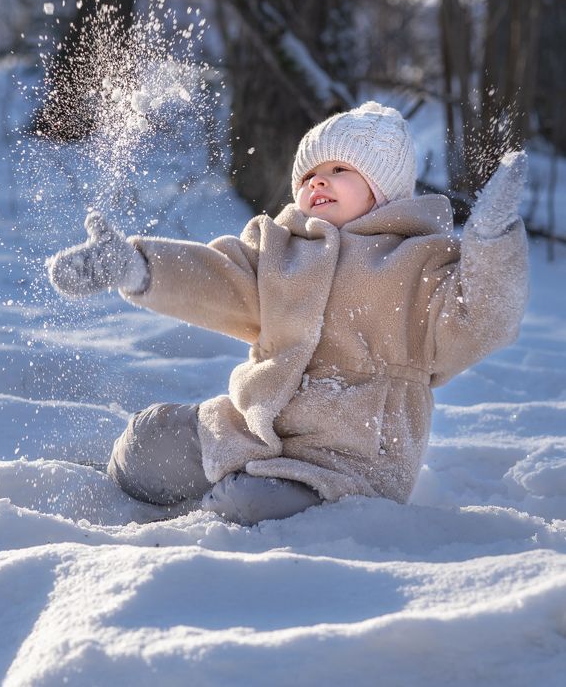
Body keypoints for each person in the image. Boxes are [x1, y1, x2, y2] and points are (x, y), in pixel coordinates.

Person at [47, 101, 529, 525]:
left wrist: (492, 241)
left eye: (341, 170)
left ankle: (239, 501)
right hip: (251, 428)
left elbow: (484, 318)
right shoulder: (280, 250)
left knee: (248, 502)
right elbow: (219, 278)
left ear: (384, 190)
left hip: (348, 455)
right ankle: (199, 475)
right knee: (146, 440)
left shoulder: (419, 264)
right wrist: (137, 266)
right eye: (308, 175)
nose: (318, 180)